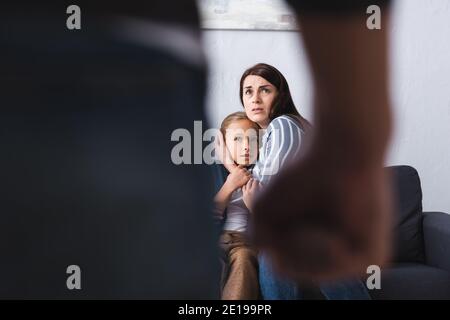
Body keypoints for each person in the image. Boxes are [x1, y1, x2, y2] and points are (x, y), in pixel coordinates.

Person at [0, 0, 393, 298]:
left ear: (280, 95)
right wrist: (355, 134)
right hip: (133, 61)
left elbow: (265, 206)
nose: (255, 99)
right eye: (248, 92)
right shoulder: (227, 158)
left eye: (264, 90)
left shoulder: (282, 130)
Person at [214, 112, 260, 300]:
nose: (246, 147)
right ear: (224, 145)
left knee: (243, 259)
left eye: (252, 139)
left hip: (244, 241)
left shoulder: (263, 172)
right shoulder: (212, 170)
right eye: (238, 139)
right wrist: (231, 183)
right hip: (215, 239)